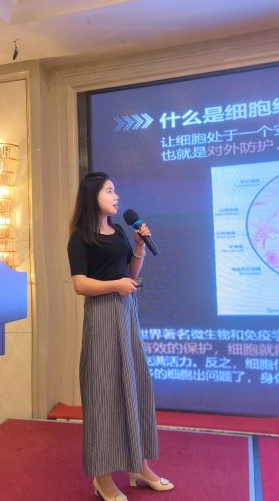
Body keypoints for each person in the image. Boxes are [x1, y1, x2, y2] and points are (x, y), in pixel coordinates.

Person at [67, 172, 174, 501]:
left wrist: (139, 247)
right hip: (101, 316)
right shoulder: (80, 237)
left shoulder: (118, 232)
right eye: (109, 191)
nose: (116, 197)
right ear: (92, 195)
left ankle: (138, 466)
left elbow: (129, 273)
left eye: (115, 191)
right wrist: (116, 286)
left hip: (127, 314)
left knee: (135, 384)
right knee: (103, 392)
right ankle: (102, 478)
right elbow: (80, 284)